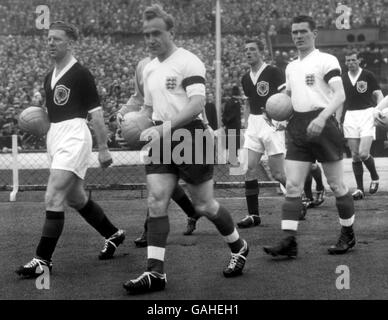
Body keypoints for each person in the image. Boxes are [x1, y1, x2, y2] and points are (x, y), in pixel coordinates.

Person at [123, 5, 249, 294]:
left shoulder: (188, 61)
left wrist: (163, 128)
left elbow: (196, 105)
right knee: (156, 200)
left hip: (191, 137)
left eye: (157, 33)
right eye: (146, 35)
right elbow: (148, 108)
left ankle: (239, 246)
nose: (151, 39)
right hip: (160, 137)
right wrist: (130, 119)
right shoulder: (149, 68)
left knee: (203, 206)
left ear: (171, 32)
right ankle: (155, 273)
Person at [15, 21, 125, 278]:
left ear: (69, 43)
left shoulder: (81, 74)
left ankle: (42, 260)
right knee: (76, 198)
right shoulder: (48, 77)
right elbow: (49, 111)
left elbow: (96, 116)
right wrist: (35, 122)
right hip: (55, 137)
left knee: (53, 195)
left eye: (57, 39)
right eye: (49, 38)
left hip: (75, 136)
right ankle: (113, 233)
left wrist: (103, 148)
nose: (50, 43)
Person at [263, 15, 356, 258]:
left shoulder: (326, 60)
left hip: (323, 125)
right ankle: (289, 240)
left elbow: (339, 95)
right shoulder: (291, 67)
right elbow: (289, 98)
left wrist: (322, 117)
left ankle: (348, 234)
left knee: (336, 185)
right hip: (298, 127)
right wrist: (276, 112)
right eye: (294, 32)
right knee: (292, 186)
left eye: (303, 31)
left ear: (314, 33)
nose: (298, 36)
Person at [117, 54, 201, 247]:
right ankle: (153, 230)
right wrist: (123, 113)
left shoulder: (181, 62)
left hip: (183, 129)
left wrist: (202, 124)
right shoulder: (143, 66)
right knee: (161, 181)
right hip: (156, 129)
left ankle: (229, 237)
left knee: (202, 197)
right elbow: (139, 98)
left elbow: (190, 99)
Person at [238, 39, 287, 229]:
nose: (248, 52)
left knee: (277, 173)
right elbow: (249, 103)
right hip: (254, 124)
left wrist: (282, 120)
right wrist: (245, 125)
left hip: (271, 122)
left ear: (261, 52)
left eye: (252, 49)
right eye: (246, 50)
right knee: (249, 168)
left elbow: (285, 98)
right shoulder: (245, 78)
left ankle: (298, 200)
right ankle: (253, 215)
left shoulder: (274, 72)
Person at [342, 50, 383, 200]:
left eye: (353, 60)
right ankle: (359, 189)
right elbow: (340, 100)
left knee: (363, 153)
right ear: (345, 62)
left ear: (359, 61)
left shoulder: (367, 75)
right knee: (355, 156)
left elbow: (378, 94)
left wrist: (381, 110)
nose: (350, 63)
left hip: (367, 113)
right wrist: (337, 117)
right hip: (350, 116)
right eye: (348, 60)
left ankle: (375, 177)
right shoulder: (342, 78)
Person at [222, 85, 242, 160]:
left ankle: (231, 158)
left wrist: (225, 122)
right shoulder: (236, 103)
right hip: (235, 125)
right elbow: (233, 115)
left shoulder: (228, 102)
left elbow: (224, 114)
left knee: (231, 142)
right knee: (234, 142)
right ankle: (233, 159)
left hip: (229, 126)